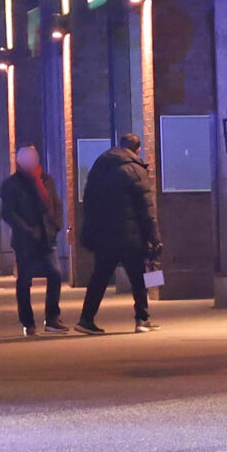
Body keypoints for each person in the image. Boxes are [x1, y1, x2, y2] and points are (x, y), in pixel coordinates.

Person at [75, 133, 162, 335]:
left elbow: (89, 201)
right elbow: (146, 208)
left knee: (100, 277)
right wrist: (154, 238)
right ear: (137, 149)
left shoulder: (100, 166)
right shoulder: (136, 169)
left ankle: (86, 319)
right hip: (130, 235)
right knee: (138, 278)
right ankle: (142, 319)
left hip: (104, 235)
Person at [0, 145, 68, 337]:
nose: (32, 162)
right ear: (20, 162)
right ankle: (28, 323)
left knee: (55, 275)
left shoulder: (46, 180)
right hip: (25, 241)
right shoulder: (11, 184)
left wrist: (56, 224)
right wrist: (27, 230)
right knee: (24, 281)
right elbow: (8, 213)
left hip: (47, 236)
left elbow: (55, 203)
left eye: (34, 158)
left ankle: (52, 318)